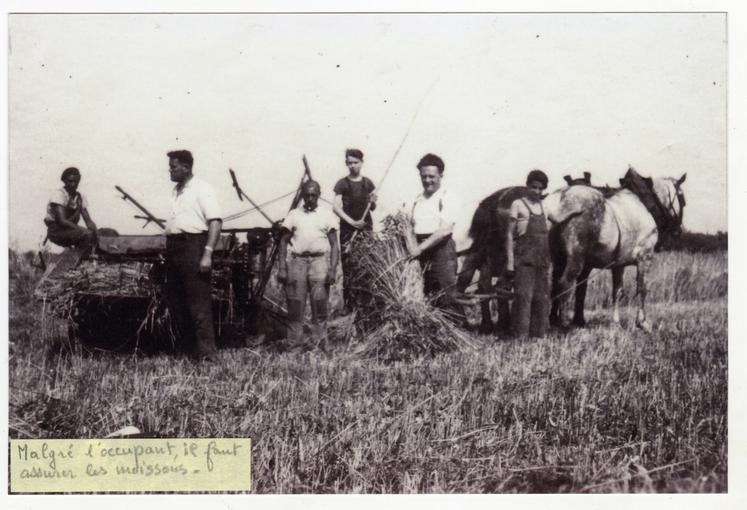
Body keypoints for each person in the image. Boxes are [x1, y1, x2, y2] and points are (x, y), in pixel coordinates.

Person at [163, 150, 222, 360]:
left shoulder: (202, 189)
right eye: (170, 166)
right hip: (174, 247)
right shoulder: (175, 191)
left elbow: (215, 222)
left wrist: (207, 253)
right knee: (177, 302)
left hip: (193, 246)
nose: (169, 170)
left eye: (173, 166)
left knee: (198, 304)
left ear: (186, 167)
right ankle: (186, 352)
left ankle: (207, 355)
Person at [278, 180, 340, 348]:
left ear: (319, 195)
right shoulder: (293, 215)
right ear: (302, 196)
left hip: (319, 262)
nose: (310, 198)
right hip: (297, 262)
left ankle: (320, 345)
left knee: (320, 306)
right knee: (295, 307)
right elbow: (283, 242)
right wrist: (282, 267)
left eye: (314, 195)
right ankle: (294, 347)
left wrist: (333, 269)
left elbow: (335, 244)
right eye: (307, 195)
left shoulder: (327, 215)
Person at [406, 153, 461, 316]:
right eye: (424, 176)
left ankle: (454, 332)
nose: (427, 180)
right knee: (428, 294)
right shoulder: (417, 199)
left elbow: (445, 229)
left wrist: (419, 249)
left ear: (441, 175)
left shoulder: (448, 197)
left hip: (441, 249)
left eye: (432, 176)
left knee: (446, 294)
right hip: (421, 250)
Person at [506, 169, 551, 338]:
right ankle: (520, 337)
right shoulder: (518, 204)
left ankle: (538, 336)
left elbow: (557, 219)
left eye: (541, 189)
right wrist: (510, 261)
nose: (537, 192)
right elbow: (509, 234)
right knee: (523, 296)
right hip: (524, 259)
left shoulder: (544, 206)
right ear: (527, 186)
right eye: (534, 187)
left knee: (541, 298)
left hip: (542, 260)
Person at [332, 148, 377, 312]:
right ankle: (349, 305)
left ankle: (366, 303)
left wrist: (373, 202)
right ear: (346, 164)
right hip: (347, 230)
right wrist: (352, 222)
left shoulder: (368, 183)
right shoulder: (342, 183)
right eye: (349, 163)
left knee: (366, 263)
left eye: (355, 162)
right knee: (349, 264)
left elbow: (373, 207)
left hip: (365, 228)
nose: (352, 166)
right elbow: (335, 208)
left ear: (362, 163)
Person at [44, 167, 97, 251]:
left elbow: (88, 220)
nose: (73, 184)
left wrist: (95, 232)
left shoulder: (79, 197)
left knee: (97, 236)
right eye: (70, 181)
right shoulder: (59, 195)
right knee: (86, 234)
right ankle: (77, 258)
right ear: (64, 181)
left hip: (71, 230)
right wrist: (84, 231)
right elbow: (62, 221)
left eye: (75, 182)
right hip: (57, 232)